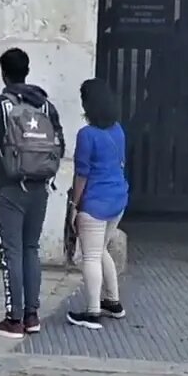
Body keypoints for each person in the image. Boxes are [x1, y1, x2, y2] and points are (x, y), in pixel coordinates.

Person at [0, 47, 65, 339]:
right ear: (26, 71)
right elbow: (59, 147)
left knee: (11, 252)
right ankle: (32, 315)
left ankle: (14, 320)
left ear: (3, 73)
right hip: (40, 188)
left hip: (8, 188)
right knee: (31, 250)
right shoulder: (46, 107)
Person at [66, 78, 129, 329]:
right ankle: (113, 302)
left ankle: (92, 311)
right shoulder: (118, 130)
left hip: (95, 202)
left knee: (89, 255)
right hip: (118, 199)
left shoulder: (86, 135)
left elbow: (82, 174)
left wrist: (74, 205)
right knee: (101, 249)